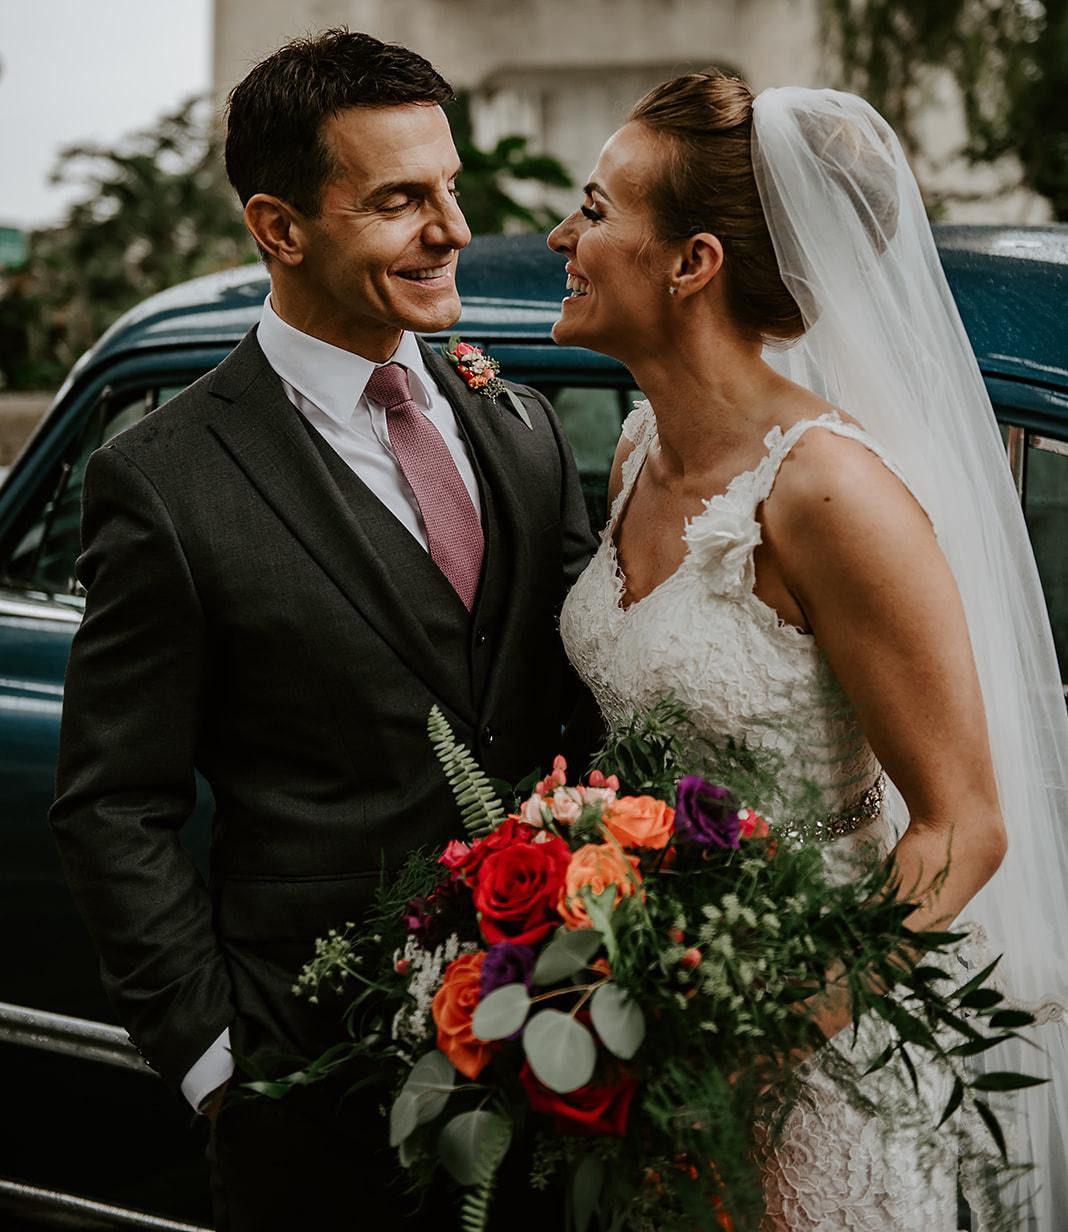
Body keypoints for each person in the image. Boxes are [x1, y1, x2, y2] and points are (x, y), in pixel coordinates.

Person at [49, 29, 593, 1232]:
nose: (450, 228)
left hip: (564, 1062)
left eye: (447, 186)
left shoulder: (523, 428)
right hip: (312, 1092)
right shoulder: (166, 476)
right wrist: (215, 1065)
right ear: (279, 227)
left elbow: (585, 706)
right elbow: (111, 802)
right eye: (401, 199)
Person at [550, 71, 1068, 1229]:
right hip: (658, 1012)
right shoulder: (638, 448)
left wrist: (760, 1043)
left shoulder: (830, 491)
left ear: (691, 264)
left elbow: (963, 827)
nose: (560, 237)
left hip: (817, 1049)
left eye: (592, 210)